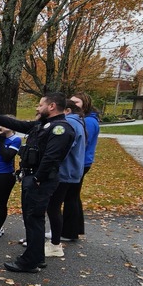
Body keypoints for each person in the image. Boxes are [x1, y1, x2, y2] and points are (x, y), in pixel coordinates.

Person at [0, 94, 76, 273]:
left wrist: (37, 179)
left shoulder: (60, 128)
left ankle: (29, 262)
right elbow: (17, 124)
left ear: (52, 106)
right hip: (32, 178)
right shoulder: (42, 124)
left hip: (39, 180)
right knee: (31, 219)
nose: (37, 108)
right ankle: (37, 257)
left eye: (40, 105)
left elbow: (51, 158)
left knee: (34, 218)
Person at [44, 104, 86, 258]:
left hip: (63, 173)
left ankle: (55, 244)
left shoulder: (70, 124)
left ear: (67, 110)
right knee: (55, 207)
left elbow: (62, 149)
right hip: (70, 173)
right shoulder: (78, 122)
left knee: (53, 207)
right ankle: (55, 239)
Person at [62, 92, 100, 241]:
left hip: (80, 163)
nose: (72, 105)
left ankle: (69, 232)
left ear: (85, 104)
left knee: (70, 196)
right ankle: (75, 229)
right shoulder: (85, 120)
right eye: (70, 102)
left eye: (76, 102)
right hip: (81, 162)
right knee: (73, 196)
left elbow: (81, 143)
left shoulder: (88, 122)